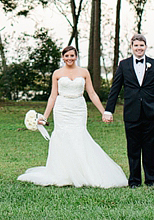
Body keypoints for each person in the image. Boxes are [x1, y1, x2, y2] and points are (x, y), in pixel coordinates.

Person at [18, 45, 129, 188]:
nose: (69, 58)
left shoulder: (84, 72)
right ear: (63, 57)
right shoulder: (57, 73)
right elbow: (52, 96)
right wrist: (45, 117)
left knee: (79, 136)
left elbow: (92, 94)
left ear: (76, 56)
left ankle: (83, 172)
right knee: (62, 136)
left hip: (78, 108)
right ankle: (63, 173)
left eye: (72, 55)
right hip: (62, 108)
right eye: (66, 56)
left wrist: (104, 112)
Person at [103, 33, 154, 188]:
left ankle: (151, 180)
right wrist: (108, 110)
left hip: (151, 113)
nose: (139, 48)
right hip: (131, 113)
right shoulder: (124, 65)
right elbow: (115, 89)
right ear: (131, 47)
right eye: (136, 45)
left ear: (146, 46)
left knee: (150, 148)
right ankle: (134, 181)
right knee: (133, 148)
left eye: (141, 45)